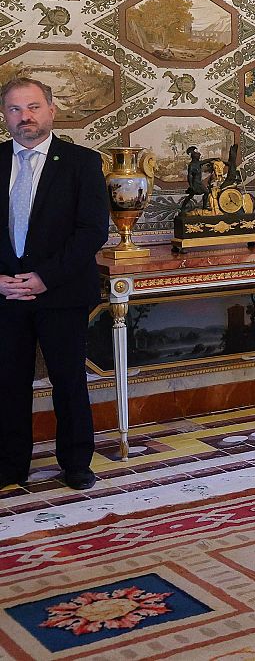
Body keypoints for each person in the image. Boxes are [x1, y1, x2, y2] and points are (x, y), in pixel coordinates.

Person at [0, 77, 109, 491]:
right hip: (5, 295)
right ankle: (11, 465)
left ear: (51, 110)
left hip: (61, 292)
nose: (24, 116)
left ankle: (76, 462)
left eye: (32, 107)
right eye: (14, 109)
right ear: (5, 116)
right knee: (8, 382)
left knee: (68, 380)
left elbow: (91, 230)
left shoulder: (82, 162)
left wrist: (45, 278)